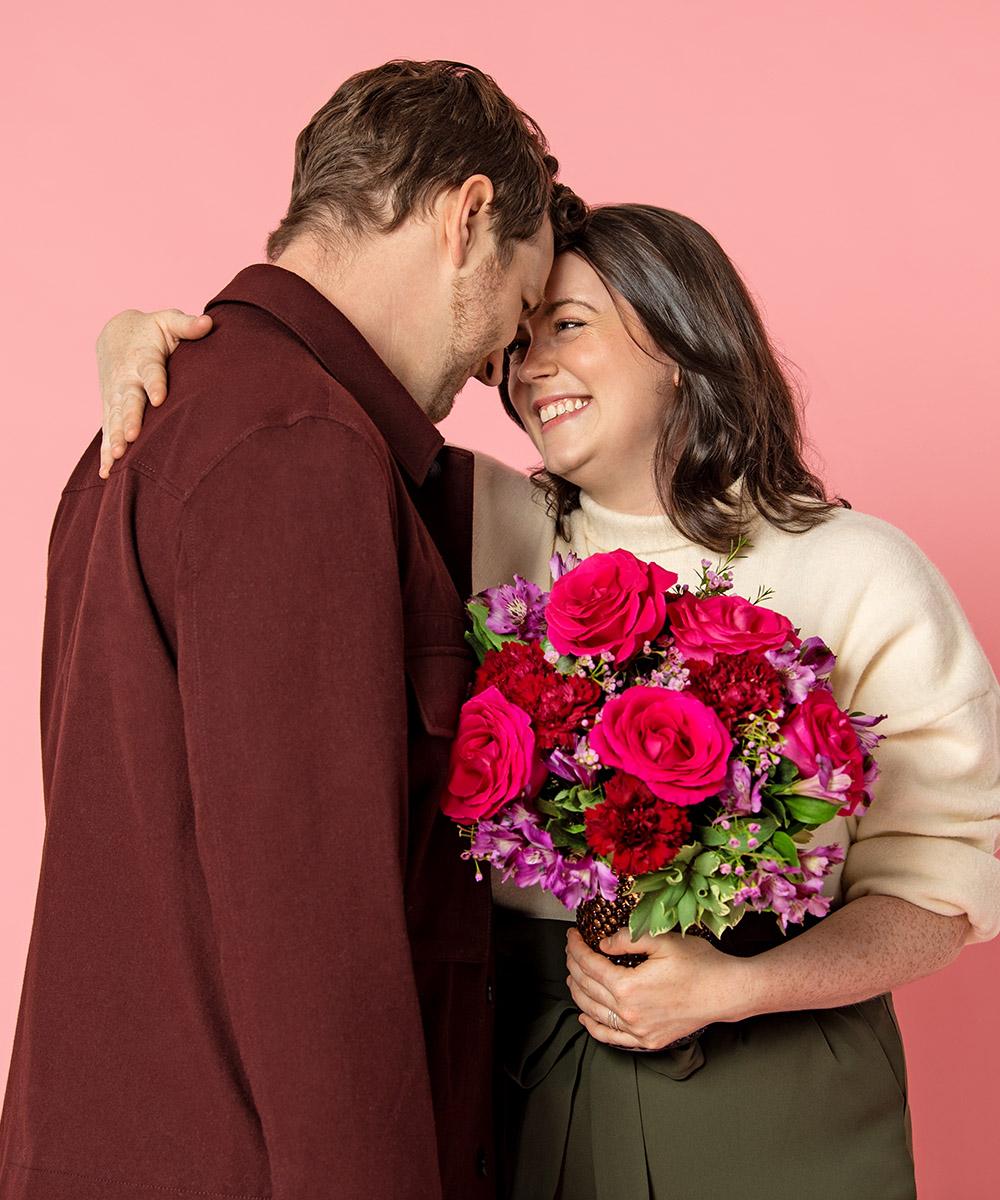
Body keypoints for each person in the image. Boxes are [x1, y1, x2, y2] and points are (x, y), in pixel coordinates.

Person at [89, 207, 1000, 1200]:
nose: (526, 371)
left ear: (683, 332)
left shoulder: (859, 570)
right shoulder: (467, 521)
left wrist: (740, 986)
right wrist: (152, 345)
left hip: (776, 1083)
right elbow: (282, 428)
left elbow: (942, 890)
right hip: (515, 1070)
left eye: (566, 325)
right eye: (515, 344)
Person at [0, 59, 582, 1200]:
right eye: (517, 310)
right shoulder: (296, 451)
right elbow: (314, 940)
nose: (495, 369)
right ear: (465, 215)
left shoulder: (169, 411)